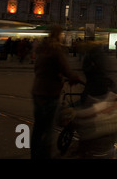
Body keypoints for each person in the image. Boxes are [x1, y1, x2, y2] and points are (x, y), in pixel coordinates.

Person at [30, 25, 81, 159]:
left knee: (38, 127)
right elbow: (65, 69)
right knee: (48, 128)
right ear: (58, 35)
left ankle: (34, 155)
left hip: (37, 90)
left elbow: (37, 69)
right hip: (49, 92)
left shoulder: (42, 49)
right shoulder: (56, 50)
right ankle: (46, 156)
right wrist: (73, 77)